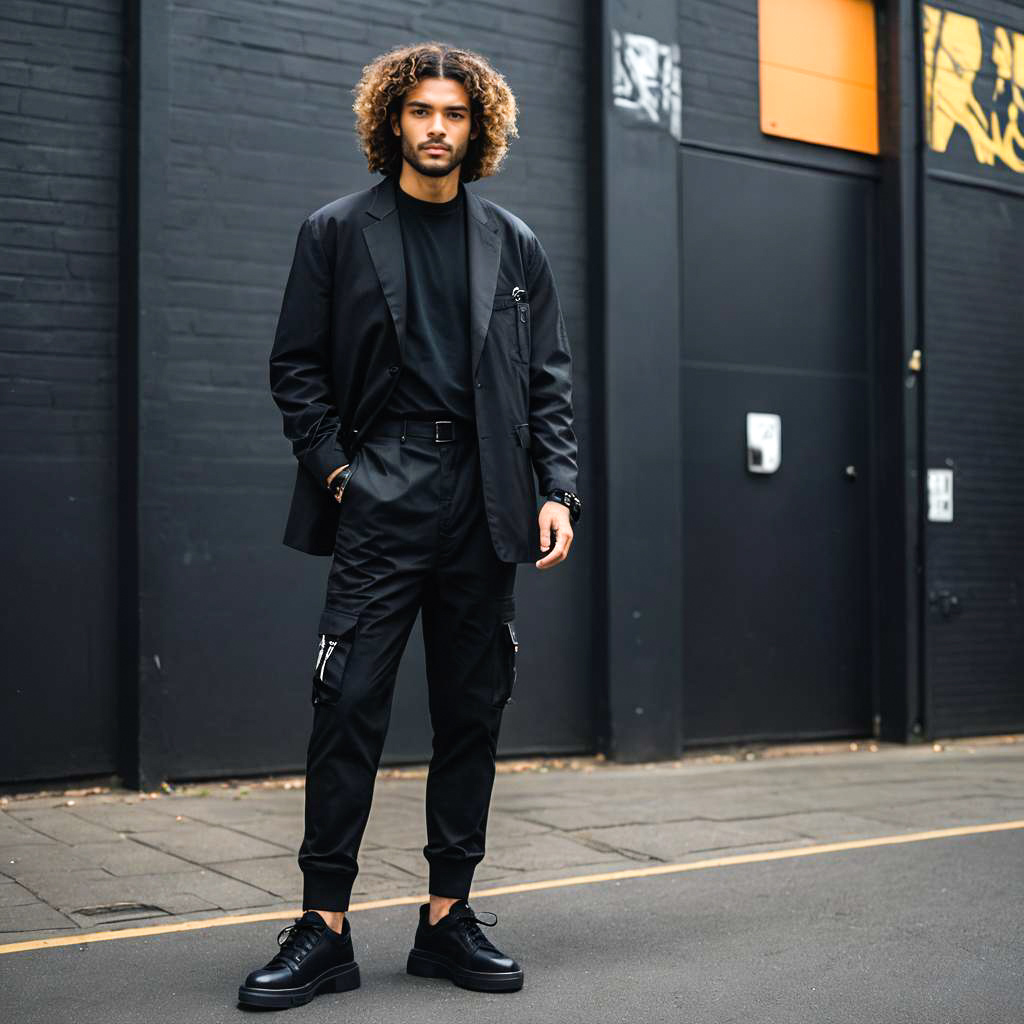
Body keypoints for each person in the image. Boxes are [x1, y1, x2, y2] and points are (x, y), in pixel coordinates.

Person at [238, 41, 582, 1010]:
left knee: (473, 709)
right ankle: (323, 927)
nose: (437, 127)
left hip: (488, 498)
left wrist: (557, 486)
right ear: (392, 119)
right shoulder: (337, 231)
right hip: (384, 483)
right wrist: (339, 472)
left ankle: (446, 917)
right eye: (422, 111)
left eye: (456, 114)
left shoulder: (511, 242)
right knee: (346, 704)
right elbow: (294, 367)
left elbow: (548, 382)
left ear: (480, 129)